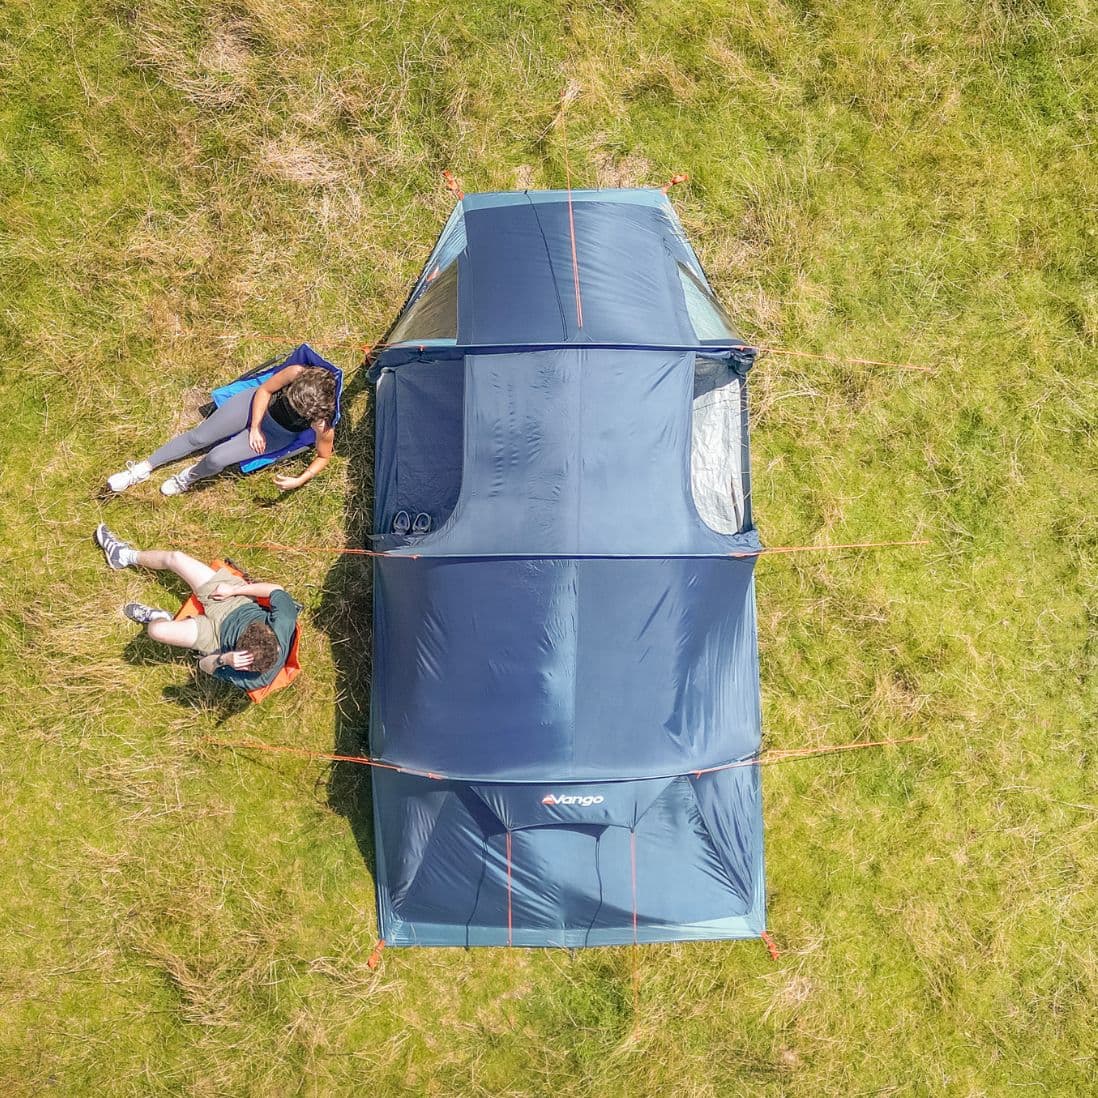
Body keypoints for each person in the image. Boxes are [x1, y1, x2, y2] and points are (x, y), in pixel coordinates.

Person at [94, 523, 299, 691]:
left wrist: (224, 659)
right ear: (270, 633)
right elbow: (275, 589)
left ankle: (161, 616)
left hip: (215, 638)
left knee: (156, 630)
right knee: (175, 557)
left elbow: (204, 665)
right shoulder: (284, 622)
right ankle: (124, 556)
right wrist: (233, 591)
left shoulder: (255, 679)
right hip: (235, 602)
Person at [106, 364, 337, 495]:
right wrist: (255, 426)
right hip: (256, 405)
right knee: (199, 438)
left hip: (277, 434)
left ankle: (188, 477)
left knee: (216, 458)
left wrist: (299, 479)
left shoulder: (322, 421)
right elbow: (265, 390)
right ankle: (142, 468)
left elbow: (324, 455)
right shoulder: (297, 372)